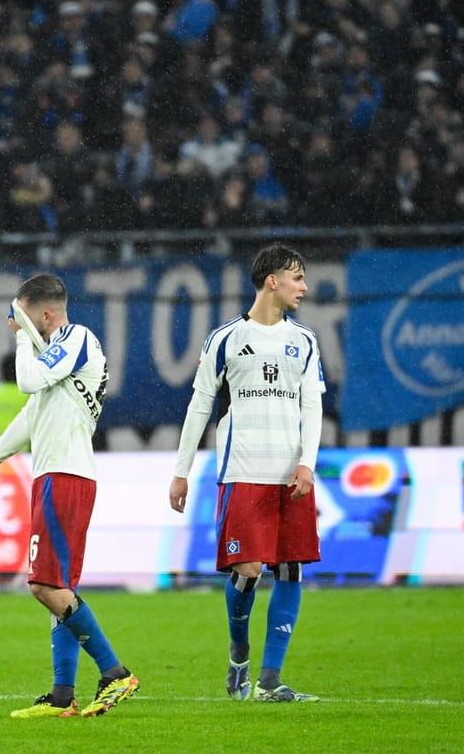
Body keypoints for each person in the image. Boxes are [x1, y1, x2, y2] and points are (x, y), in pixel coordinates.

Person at [0, 273, 139, 718]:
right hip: (52, 475)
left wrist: (21, 338)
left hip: (68, 474)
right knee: (59, 586)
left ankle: (115, 673)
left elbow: (25, 382)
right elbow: (29, 414)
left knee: (43, 584)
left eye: (20, 317)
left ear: (46, 315)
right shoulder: (55, 362)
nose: (14, 326)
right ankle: (62, 694)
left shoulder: (77, 338)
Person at [168, 243, 325, 703]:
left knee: (291, 569)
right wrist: (181, 471)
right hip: (242, 469)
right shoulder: (226, 339)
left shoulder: (305, 341)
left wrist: (308, 463)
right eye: (298, 277)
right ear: (272, 280)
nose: (305, 287)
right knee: (249, 569)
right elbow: (200, 405)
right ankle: (239, 652)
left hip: (290, 475)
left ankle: (270, 680)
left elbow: (312, 405)